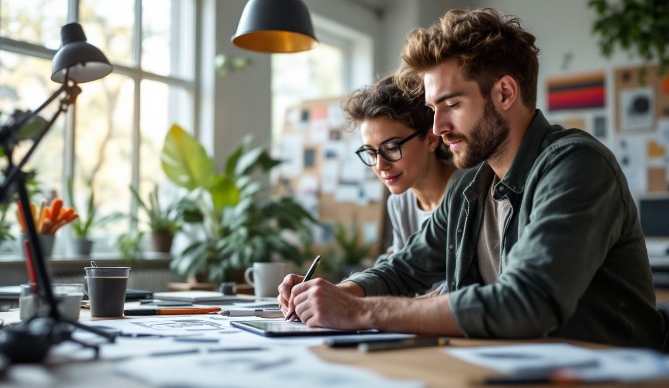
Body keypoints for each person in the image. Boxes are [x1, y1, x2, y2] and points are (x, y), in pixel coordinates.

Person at [278, 8, 664, 349]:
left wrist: (361, 311)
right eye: (432, 108)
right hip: (508, 369)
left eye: (452, 105)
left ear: (505, 92)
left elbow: (527, 302)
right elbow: (406, 266)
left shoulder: (575, 165)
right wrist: (340, 292)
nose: (438, 127)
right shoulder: (469, 185)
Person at [343, 75, 458, 294]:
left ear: (431, 140)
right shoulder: (399, 203)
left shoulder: (468, 192)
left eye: (393, 147)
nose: (380, 164)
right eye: (370, 152)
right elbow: (398, 275)